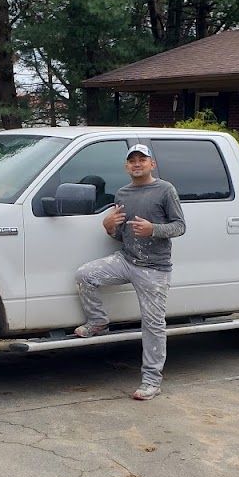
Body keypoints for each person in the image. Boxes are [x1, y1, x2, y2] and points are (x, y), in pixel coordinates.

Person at [73, 143, 186, 401]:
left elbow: (180, 226)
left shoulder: (165, 190)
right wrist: (107, 226)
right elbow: (119, 235)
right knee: (85, 275)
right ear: (126, 166)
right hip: (126, 260)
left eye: (142, 160)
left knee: (153, 324)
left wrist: (153, 229)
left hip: (154, 269)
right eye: (132, 160)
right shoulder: (122, 194)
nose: (137, 164)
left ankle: (151, 381)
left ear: (151, 164)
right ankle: (98, 321)